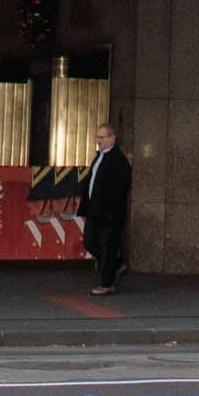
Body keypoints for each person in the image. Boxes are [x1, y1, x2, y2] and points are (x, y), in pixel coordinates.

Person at [77, 123, 132, 296]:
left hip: (109, 213)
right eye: (97, 137)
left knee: (108, 245)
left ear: (112, 138)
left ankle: (107, 283)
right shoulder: (99, 157)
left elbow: (120, 188)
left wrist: (109, 209)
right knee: (89, 242)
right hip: (95, 211)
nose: (98, 140)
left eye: (102, 137)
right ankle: (114, 265)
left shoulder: (119, 161)